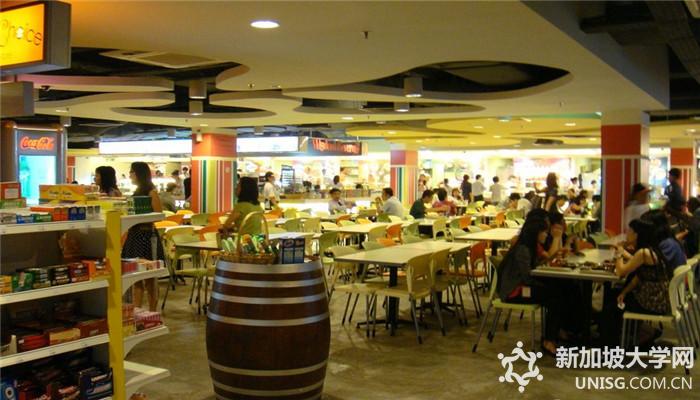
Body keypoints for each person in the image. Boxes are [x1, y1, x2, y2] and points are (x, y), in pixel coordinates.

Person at [496, 213, 563, 355]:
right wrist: (544, 284)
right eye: (544, 232)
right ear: (536, 232)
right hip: (514, 292)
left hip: (521, 287)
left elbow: (533, 269)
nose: (546, 235)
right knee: (555, 296)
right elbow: (528, 278)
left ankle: (554, 334)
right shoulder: (523, 249)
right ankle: (549, 340)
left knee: (557, 291)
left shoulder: (528, 247)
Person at [122, 162, 163, 312]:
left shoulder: (151, 192)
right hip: (135, 235)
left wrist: (139, 218)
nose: (130, 175)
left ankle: (152, 312)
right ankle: (137, 311)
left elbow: (158, 214)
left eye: (132, 172)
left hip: (146, 235)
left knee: (150, 276)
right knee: (135, 276)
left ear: (139, 173)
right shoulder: (138, 191)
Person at [615, 218, 671, 318]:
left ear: (636, 235)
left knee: (612, 298)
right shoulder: (651, 249)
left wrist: (619, 253)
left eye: (629, 231)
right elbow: (638, 277)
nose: (626, 234)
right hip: (659, 300)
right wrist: (624, 292)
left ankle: (611, 326)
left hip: (651, 303)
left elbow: (620, 272)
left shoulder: (643, 253)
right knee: (618, 293)